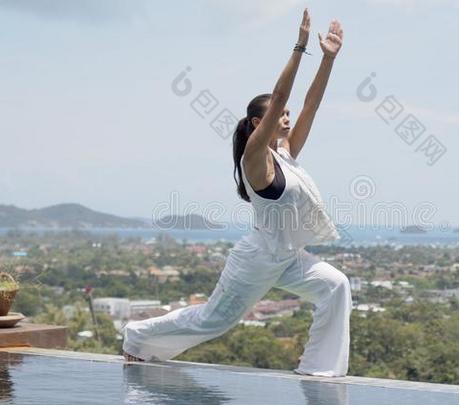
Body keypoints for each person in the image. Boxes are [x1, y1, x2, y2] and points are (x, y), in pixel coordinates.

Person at [122, 8, 351, 377]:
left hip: (288, 257)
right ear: (259, 124)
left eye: (288, 113)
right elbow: (279, 95)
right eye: (280, 113)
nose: (287, 116)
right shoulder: (254, 159)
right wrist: (300, 48)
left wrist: (328, 59)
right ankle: (136, 336)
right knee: (213, 321)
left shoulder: (286, 153)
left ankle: (317, 370)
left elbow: (311, 104)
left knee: (337, 285)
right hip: (257, 260)